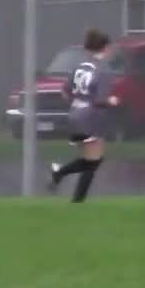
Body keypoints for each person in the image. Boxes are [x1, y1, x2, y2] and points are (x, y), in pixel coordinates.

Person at [49, 29, 118, 203]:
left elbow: (65, 92)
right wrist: (112, 100)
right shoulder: (104, 70)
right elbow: (100, 100)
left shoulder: (80, 67)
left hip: (75, 115)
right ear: (106, 48)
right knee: (93, 162)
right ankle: (65, 180)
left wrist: (79, 100)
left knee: (91, 160)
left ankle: (68, 184)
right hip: (91, 119)